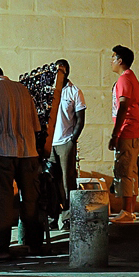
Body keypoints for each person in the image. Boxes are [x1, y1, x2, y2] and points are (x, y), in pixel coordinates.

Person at [0, 63, 44, 259]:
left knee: (1, 198)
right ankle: (34, 245)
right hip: (28, 151)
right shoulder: (22, 89)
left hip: (1, 151)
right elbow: (36, 125)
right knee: (30, 198)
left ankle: (3, 248)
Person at [107, 45, 139, 224]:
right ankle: (130, 210)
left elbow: (123, 106)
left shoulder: (124, 79)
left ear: (120, 61)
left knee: (124, 170)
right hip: (134, 129)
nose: (111, 61)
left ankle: (126, 211)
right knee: (132, 171)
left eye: (113, 58)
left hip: (127, 130)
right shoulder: (131, 78)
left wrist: (115, 134)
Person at [51, 59, 86, 229]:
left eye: (62, 70)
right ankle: (52, 216)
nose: (59, 73)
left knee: (67, 181)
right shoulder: (49, 90)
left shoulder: (74, 91)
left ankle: (68, 217)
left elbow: (80, 119)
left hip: (65, 142)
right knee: (50, 181)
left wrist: (72, 139)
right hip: (49, 144)